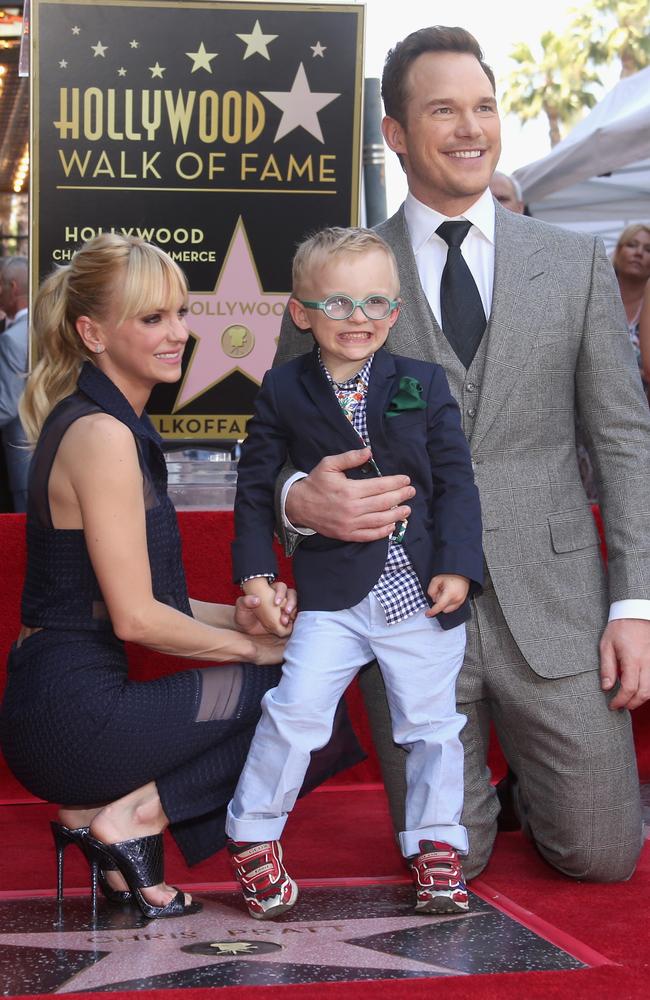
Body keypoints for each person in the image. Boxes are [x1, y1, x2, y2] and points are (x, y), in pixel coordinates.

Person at [274, 25, 650, 884]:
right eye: (443, 109)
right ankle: (480, 797)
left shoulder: (573, 266)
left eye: (483, 106)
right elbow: (281, 436)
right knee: (450, 860)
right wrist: (302, 499)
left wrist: (635, 603)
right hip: (402, 606)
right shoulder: (340, 267)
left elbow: (625, 441)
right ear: (397, 134)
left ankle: (533, 784)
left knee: (601, 857)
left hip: (555, 611)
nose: (470, 127)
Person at [0, 234, 361, 920]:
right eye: (152, 318)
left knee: (300, 668)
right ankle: (132, 818)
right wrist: (263, 650)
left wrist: (246, 616)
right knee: (307, 692)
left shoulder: (108, 423)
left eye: (179, 313)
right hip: (68, 717)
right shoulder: (102, 435)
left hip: (61, 701)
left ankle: (105, 822)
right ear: (92, 332)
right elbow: (139, 620)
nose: (179, 334)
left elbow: (155, 601)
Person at [224, 227, 483, 919]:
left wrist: (459, 566)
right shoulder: (282, 388)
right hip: (333, 595)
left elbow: (457, 483)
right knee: (294, 711)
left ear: (396, 311)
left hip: (420, 593)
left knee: (431, 726)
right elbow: (255, 489)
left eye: (374, 302)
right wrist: (254, 575)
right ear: (301, 312)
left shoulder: (422, 385)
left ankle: (435, 852)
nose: (358, 317)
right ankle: (253, 834)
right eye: (336, 303)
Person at [0, 256, 31, 511]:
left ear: (13, 287)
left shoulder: (12, 338)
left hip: (23, 455)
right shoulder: (50, 327)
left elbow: (7, 406)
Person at [611, 224, 650, 398]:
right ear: (618, 251)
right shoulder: (598, 296)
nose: (639, 253)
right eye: (632, 245)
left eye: (648, 249)